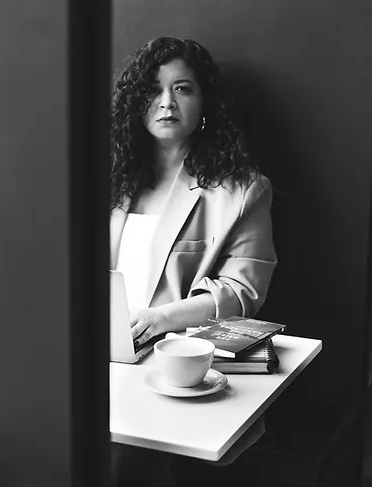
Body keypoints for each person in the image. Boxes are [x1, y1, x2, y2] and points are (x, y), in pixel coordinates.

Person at [110, 36, 277, 486]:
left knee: (122, 461)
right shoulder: (109, 178)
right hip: (101, 352)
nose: (166, 101)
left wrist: (160, 318)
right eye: (153, 90)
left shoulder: (241, 190)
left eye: (182, 88)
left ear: (205, 102)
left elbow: (243, 291)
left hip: (173, 361)